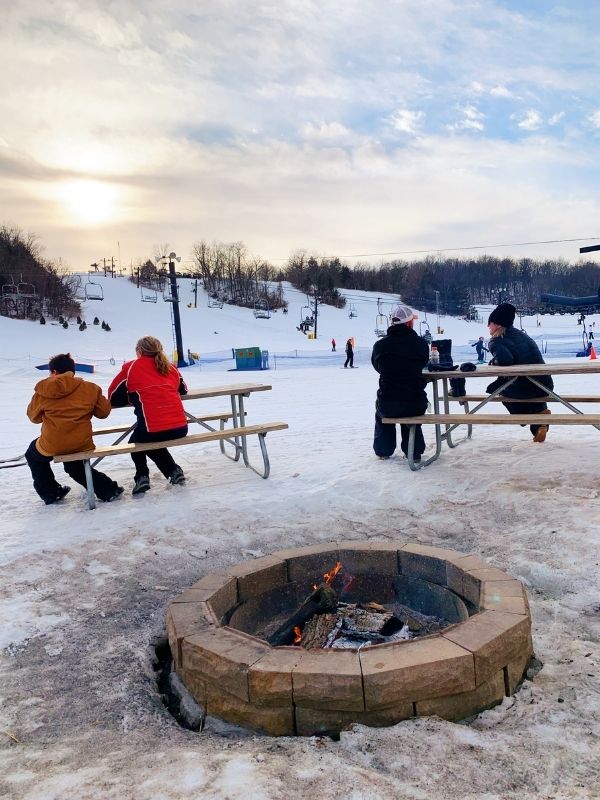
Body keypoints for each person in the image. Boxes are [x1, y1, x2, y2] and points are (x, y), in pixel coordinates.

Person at [25, 353, 123, 505]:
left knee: (32, 455)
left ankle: (50, 492)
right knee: (74, 464)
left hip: (52, 444)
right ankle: (108, 489)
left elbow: (33, 418)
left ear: (54, 372)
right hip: (81, 442)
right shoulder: (90, 388)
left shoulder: (43, 392)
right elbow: (103, 413)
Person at [108, 336, 188, 494]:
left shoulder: (131, 368)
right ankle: (173, 471)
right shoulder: (170, 367)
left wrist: (131, 396)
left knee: (137, 442)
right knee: (150, 438)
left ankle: (142, 476)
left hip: (152, 429)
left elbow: (113, 397)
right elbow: (183, 389)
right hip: (181, 427)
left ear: (139, 351)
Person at [486, 303, 553, 443]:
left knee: (499, 391)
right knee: (529, 386)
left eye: (490, 323)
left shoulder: (496, 341)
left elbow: (505, 360)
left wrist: (495, 361)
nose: (488, 327)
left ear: (497, 325)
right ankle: (540, 422)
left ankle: (525, 417)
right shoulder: (521, 335)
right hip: (546, 385)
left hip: (527, 388)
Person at [371, 304, 430, 461]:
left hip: (388, 403)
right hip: (415, 402)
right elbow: (423, 364)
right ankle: (414, 451)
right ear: (410, 323)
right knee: (410, 405)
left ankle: (383, 450)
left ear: (392, 323)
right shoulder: (421, 344)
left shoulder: (379, 346)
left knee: (382, 410)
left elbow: (378, 368)